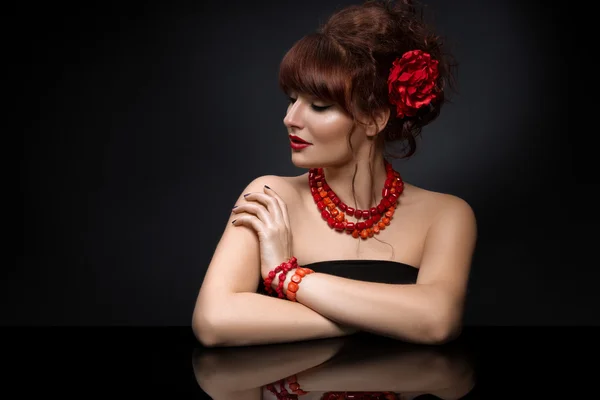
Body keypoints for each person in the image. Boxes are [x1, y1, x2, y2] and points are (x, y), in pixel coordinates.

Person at [192, 0, 477, 347]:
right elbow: (213, 320)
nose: (291, 118)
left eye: (319, 106)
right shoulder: (270, 196)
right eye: (292, 99)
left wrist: (288, 276)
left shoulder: (446, 215)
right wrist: (387, 317)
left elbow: (437, 321)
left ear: (374, 118)